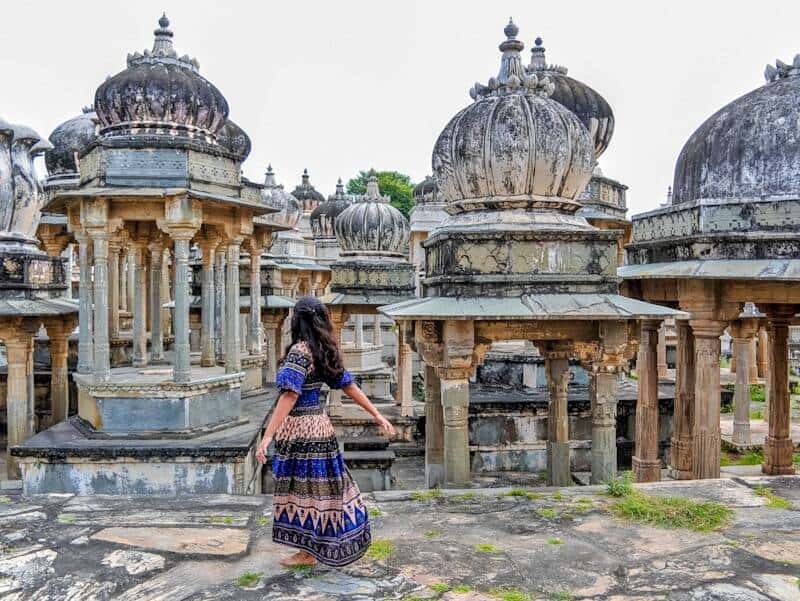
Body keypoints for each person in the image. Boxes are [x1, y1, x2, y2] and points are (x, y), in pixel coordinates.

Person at [256, 296, 396, 568]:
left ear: (298, 321)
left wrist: (268, 435)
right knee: (323, 488)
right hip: (320, 426)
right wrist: (376, 413)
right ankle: (316, 547)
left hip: (300, 429)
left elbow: (289, 396)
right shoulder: (322, 349)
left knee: (304, 489)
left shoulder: (299, 351)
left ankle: (307, 553)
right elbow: (348, 384)